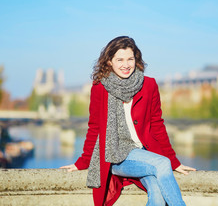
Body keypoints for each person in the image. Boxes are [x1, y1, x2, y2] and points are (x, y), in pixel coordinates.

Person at [61, 36, 196, 206]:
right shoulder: (99, 87)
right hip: (115, 157)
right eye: (120, 59)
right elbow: (95, 128)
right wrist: (83, 161)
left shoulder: (149, 85)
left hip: (144, 153)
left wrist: (174, 161)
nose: (126, 64)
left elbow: (157, 125)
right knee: (162, 163)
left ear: (136, 59)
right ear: (109, 61)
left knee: (157, 192)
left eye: (130, 59)